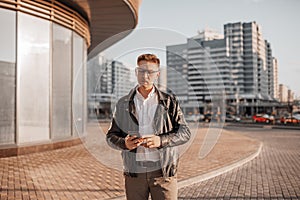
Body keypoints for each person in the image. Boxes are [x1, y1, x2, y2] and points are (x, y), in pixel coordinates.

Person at [106, 53, 191, 200]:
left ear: (157, 74)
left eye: (150, 72)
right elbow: (111, 136)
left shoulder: (169, 101)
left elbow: (185, 132)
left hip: (163, 172)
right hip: (134, 174)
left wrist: (161, 140)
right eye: (141, 71)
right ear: (136, 72)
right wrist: (124, 143)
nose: (145, 76)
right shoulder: (123, 103)